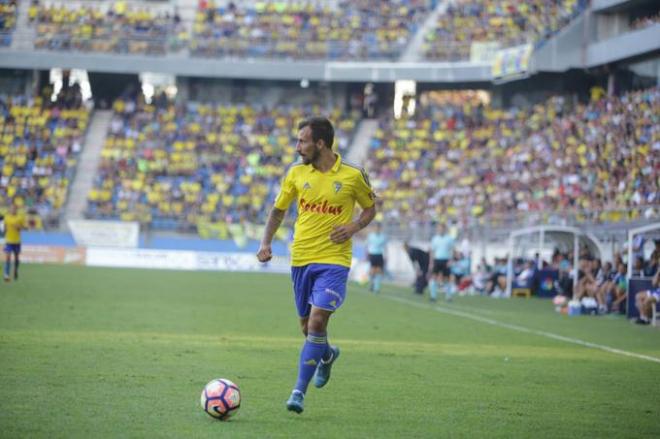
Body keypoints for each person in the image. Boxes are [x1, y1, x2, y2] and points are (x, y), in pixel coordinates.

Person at [256, 117, 376, 414]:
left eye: (302, 141)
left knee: (318, 321)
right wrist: (265, 243)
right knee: (306, 327)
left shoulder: (352, 175)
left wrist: (353, 227)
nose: (298, 147)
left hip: (334, 261)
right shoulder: (296, 173)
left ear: (320, 143)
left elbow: (370, 208)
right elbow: (278, 210)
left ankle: (298, 392)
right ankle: (326, 355)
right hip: (301, 259)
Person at [428, 223, 455, 301]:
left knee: (447, 279)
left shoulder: (449, 239)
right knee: (434, 278)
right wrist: (431, 262)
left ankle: (448, 296)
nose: (440, 230)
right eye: (439, 229)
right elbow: (432, 251)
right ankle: (433, 296)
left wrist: (451, 260)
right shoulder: (435, 239)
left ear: (444, 229)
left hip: (446, 260)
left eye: (442, 229)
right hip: (437, 260)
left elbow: (452, 250)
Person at [3, 205, 27, 282]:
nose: (13, 210)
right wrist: (5, 231)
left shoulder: (20, 218)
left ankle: (15, 270)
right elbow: (5, 227)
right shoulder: (6, 217)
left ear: (16, 210)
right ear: (9, 210)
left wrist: (19, 227)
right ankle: (6, 274)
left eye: (14, 209)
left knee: (16, 257)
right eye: (11, 209)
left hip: (17, 241)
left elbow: (25, 228)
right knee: (8, 257)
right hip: (8, 240)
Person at [366, 222, 387, 293]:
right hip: (372, 254)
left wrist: (386, 255)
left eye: (378, 227)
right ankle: (371, 284)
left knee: (379, 271)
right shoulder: (370, 236)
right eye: (375, 227)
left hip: (380, 254)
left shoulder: (383, 236)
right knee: (372, 270)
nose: (377, 229)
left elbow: (385, 247)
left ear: (380, 228)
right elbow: (367, 245)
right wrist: (366, 254)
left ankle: (376, 287)